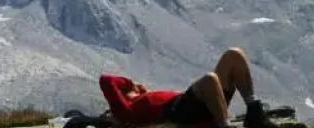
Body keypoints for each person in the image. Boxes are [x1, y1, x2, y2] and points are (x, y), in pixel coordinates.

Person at [100, 48, 278, 128]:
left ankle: (254, 112)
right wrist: (130, 84)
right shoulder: (126, 111)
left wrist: (137, 89)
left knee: (234, 55)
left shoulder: (142, 98)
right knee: (210, 79)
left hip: (195, 102)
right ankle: (225, 126)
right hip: (179, 111)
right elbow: (106, 80)